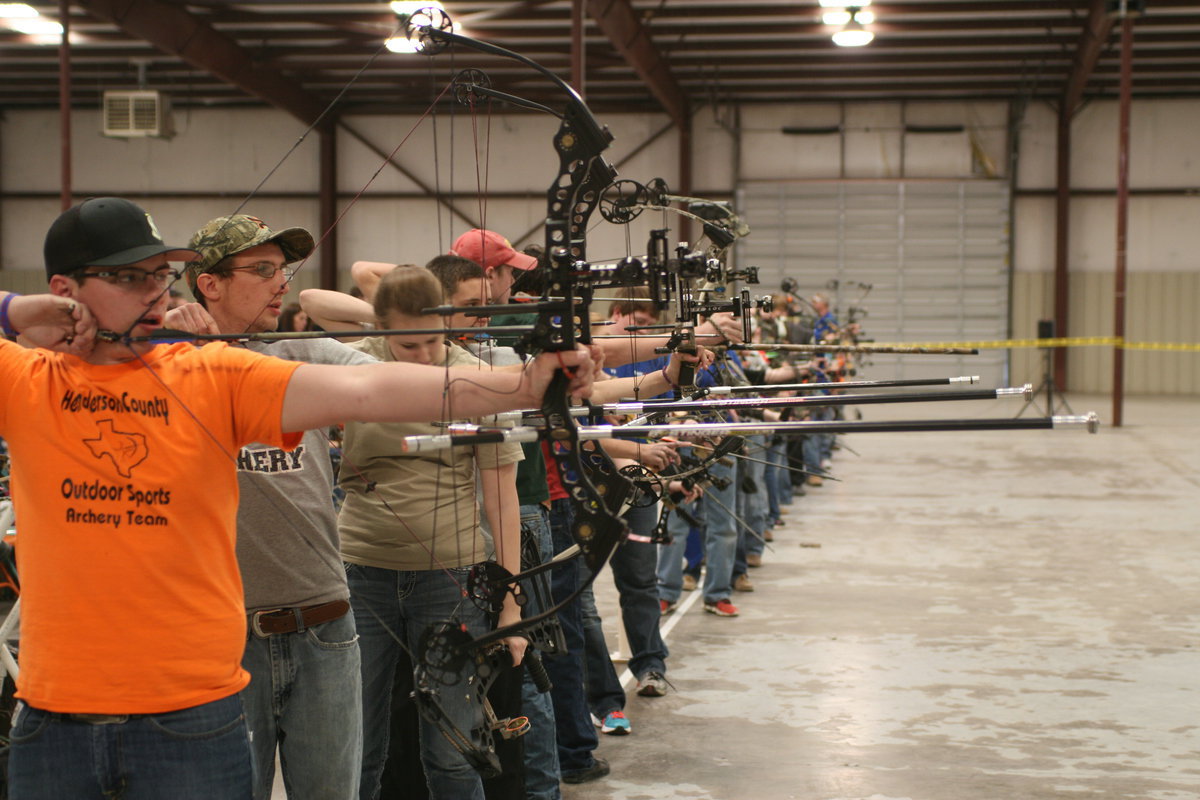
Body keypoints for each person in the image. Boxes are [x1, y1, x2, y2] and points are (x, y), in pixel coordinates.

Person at [0, 197, 596, 799]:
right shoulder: (27, 381)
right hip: (56, 719)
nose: (155, 293)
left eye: (160, 275)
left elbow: (366, 388)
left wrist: (520, 385)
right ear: (64, 290)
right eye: (130, 277)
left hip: (191, 715)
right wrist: (17, 310)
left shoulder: (211, 375)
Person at [169, 213, 374, 800]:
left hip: (325, 622)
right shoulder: (165, 361)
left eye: (282, 269)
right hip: (221, 634)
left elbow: (385, 376)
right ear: (209, 283)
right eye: (262, 270)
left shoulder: (300, 350)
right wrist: (193, 352)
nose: (281, 282)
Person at [336, 265, 525, 800]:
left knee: (452, 749)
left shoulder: (474, 379)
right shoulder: (361, 360)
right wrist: (377, 311)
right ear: (382, 333)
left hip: (451, 580)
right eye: (408, 344)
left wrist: (510, 609)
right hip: (360, 574)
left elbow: (501, 498)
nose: (422, 358)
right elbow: (316, 298)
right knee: (357, 744)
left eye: (433, 342)